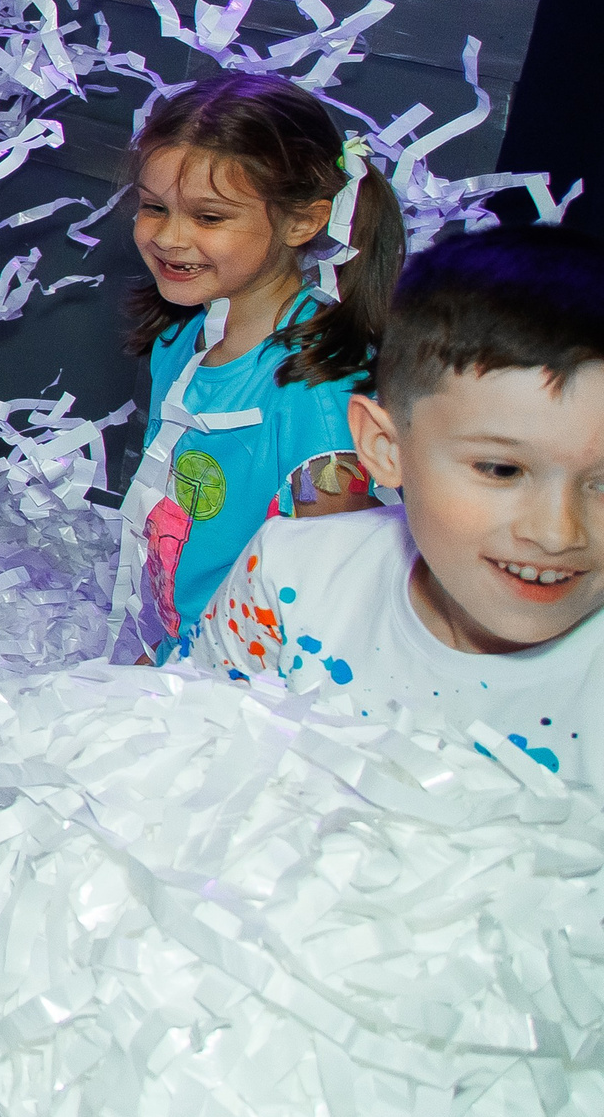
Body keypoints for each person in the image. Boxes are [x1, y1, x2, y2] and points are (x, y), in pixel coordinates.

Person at [194, 225, 603, 788]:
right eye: (501, 469)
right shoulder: (292, 579)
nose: (558, 533)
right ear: (386, 449)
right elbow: (187, 755)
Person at [114, 74, 402, 662]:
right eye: (153, 208)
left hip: (247, 684)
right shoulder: (184, 332)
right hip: (179, 653)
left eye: (210, 217)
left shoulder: (317, 385)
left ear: (302, 221)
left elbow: (334, 576)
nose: (169, 238)